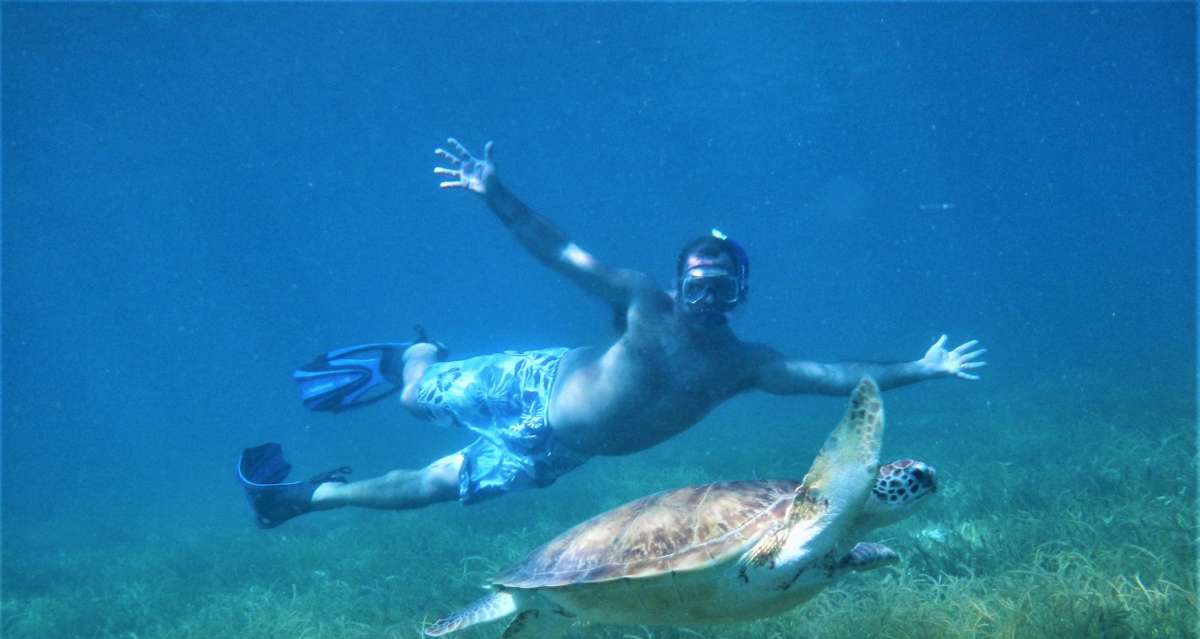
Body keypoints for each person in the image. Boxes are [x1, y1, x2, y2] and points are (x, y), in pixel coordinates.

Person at [238, 138, 986, 528]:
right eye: (696, 278)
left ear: (741, 293)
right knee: (414, 400)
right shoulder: (638, 297)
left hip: (559, 448)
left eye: (722, 284)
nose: (706, 292)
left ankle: (304, 500)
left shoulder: (745, 363)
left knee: (434, 487)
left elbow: (833, 376)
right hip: (534, 380)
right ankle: (415, 353)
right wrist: (494, 194)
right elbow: (558, 250)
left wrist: (922, 366)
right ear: (677, 278)